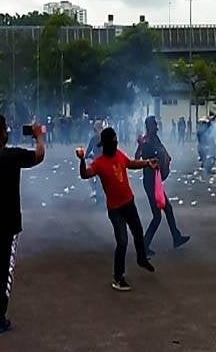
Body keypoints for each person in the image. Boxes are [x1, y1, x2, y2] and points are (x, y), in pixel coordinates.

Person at [0, 115, 45, 334]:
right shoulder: (13, 155)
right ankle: (0, 315)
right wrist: (39, 136)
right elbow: (39, 155)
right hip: (10, 222)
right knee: (5, 268)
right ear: (3, 131)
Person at [78, 127, 157, 292]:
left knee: (138, 231)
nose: (115, 144)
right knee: (122, 241)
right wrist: (81, 160)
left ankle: (141, 259)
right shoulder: (99, 163)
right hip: (115, 209)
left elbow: (130, 163)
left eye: (116, 141)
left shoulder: (119, 154)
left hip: (129, 202)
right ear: (106, 144)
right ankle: (117, 277)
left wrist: (147, 163)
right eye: (113, 141)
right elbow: (85, 174)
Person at [135, 116, 189, 256]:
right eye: (155, 125)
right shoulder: (146, 141)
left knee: (168, 209)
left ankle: (176, 237)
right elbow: (136, 157)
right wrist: (141, 146)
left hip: (156, 181)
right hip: (150, 182)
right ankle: (144, 245)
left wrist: (166, 158)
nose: (157, 128)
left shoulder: (154, 139)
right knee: (157, 216)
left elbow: (161, 151)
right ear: (149, 126)